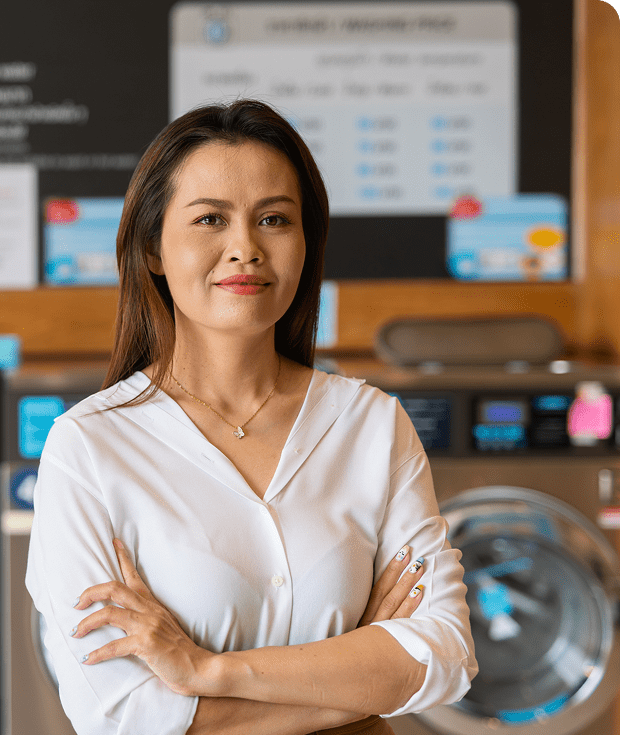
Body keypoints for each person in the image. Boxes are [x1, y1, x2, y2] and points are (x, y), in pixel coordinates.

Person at [25, 100, 476, 735]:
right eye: (210, 219)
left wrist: (206, 672)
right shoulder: (91, 447)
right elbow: (122, 713)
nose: (245, 249)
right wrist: (361, 678)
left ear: (304, 244)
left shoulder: (371, 425)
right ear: (152, 247)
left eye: (274, 220)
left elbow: (446, 655)